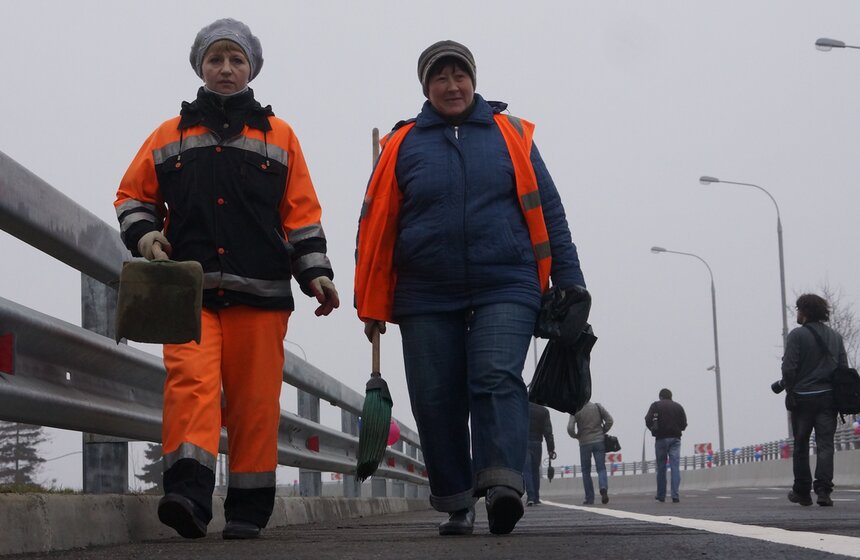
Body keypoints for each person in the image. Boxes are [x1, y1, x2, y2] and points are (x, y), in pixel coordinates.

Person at [114, 18, 339, 540]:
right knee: (190, 387)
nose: (226, 69)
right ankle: (188, 497)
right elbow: (132, 197)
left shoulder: (280, 136)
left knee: (254, 402)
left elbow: (301, 215)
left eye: (236, 60)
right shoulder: (168, 135)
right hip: (187, 294)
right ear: (200, 67)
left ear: (251, 69)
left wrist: (317, 274)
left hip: (260, 294)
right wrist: (146, 237)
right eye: (216, 59)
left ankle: (248, 508)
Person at [354, 40, 587, 536]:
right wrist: (369, 300)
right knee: (436, 395)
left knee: (496, 376)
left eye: (460, 75)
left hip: (506, 279)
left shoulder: (512, 136)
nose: (452, 85)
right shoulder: (402, 143)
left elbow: (550, 211)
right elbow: (375, 229)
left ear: (474, 81)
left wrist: (571, 281)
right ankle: (458, 500)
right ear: (426, 86)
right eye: (440, 77)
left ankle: (503, 485)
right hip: (423, 290)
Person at [779, 293, 846, 507]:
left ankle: (802, 491)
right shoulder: (835, 337)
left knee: (801, 444)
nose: (797, 313)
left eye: (798, 309)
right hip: (828, 399)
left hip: (803, 399)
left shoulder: (797, 336)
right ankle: (824, 490)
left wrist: (788, 389)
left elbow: (789, 367)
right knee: (825, 445)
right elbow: (843, 369)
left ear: (805, 312)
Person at [645, 388, 687, 503]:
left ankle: (661, 495)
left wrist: (653, 430)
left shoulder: (655, 406)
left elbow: (647, 419)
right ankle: (675, 495)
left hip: (661, 439)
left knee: (661, 467)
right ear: (671, 396)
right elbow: (684, 424)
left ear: (660, 397)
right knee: (675, 467)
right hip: (675, 439)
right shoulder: (678, 407)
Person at [568, 401, 613, 505]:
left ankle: (589, 498)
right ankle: (603, 487)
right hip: (599, 441)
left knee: (586, 471)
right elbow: (610, 420)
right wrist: (603, 431)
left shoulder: (575, 409)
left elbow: (570, 428)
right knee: (601, 468)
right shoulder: (597, 406)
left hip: (584, 443)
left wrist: (576, 435)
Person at [523, 402, 556, 506]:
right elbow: (548, 432)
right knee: (535, 470)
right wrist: (551, 449)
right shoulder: (543, 411)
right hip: (537, 443)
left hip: (524, 442)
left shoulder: (521, 408)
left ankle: (531, 496)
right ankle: (536, 497)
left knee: (526, 470)